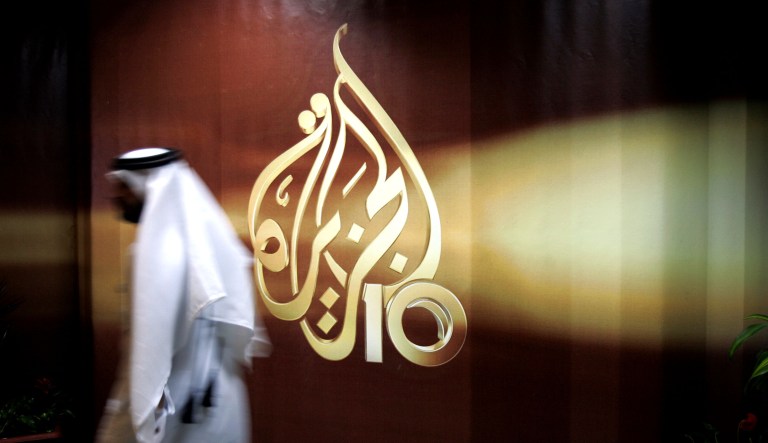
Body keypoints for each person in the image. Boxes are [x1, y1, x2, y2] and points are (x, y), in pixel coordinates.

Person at [97, 147, 270, 443]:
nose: (119, 197)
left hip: (179, 403)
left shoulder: (155, 255)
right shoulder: (210, 242)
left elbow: (149, 348)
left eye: (125, 187)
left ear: (147, 186)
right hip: (217, 397)